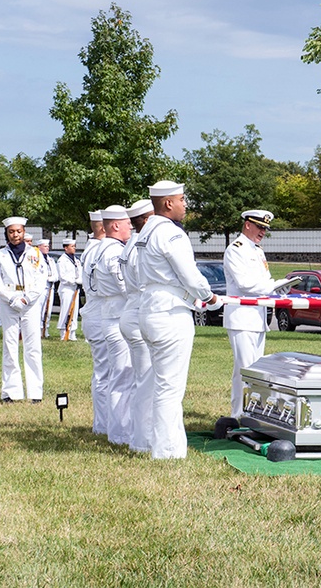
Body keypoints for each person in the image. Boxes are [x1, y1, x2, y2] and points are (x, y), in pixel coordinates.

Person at [136, 180, 220, 459]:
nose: (186, 205)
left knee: (156, 382)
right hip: (169, 310)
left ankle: (146, 441)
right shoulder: (170, 233)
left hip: (149, 306)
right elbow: (189, 273)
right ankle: (167, 451)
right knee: (170, 386)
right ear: (168, 203)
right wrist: (209, 297)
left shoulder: (146, 231)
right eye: (182, 199)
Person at [223, 209, 285, 418]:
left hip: (257, 317)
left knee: (253, 369)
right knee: (246, 369)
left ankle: (247, 412)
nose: (262, 232)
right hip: (241, 318)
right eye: (259, 227)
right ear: (247, 224)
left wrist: (277, 287)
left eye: (265, 229)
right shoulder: (236, 250)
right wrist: (273, 286)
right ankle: (241, 415)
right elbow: (245, 284)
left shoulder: (257, 251)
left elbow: (264, 281)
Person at [0, 217, 48, 403]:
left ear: (24, 232)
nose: (15, 235)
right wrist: (11, 297)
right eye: (11, 232)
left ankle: (35, 392)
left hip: (30, 302)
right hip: (9, 301)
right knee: (10, 345)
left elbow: (41, 279)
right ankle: (11, 392)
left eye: (19, 231)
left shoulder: (35, 253)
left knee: (33, 347)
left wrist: (27, 298)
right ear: (6, 233)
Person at [90, 205, 135, 445]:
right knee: (123, 377)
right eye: (127, 222)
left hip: (109, 315)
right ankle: (120, 434)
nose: (131, 226)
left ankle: (114, 429)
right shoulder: (114, 252)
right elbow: (124, 285)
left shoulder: (101, 248)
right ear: (115, 225)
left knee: (115, 376)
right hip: (118, 318)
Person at [119, 199, 155, 453]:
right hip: (141, 311)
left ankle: (138, 434)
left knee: (141, 380)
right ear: (145, 219)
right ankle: (143, 440)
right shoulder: (142, 245)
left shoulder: (131, 243)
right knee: (147, 381)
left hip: (130, 310)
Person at [80, 209, 110, 436]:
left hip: (98, 313)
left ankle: (104, 423)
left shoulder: (94, 249)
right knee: (104, 373)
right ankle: (103, 424)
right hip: (100, 314)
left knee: (106, 373)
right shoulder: (99, 250)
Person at [57, 238, 82, 341]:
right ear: (66, 248)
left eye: (74, 246)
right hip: (66, 288)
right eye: (72, 246)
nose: (74, 248)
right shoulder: (61, 260)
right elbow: (62, 277)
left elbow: (79, 271)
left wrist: (79, 279)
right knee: (66, 310)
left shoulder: (76, 260)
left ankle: (72, 332)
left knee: (75, 311)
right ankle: (63, 331)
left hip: (75, 288)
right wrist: (74, 280)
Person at [37, 239, 59, 338]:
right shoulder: (37, 259)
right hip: (41, 288)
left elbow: (56, 274)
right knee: (39, 310)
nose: (47, 248)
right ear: (39, 247)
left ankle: (45, 329)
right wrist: (47, 278)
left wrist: (52, 278)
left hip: (50, 287)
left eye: (48, 246)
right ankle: (38, 329)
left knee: (48, 310)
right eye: (45, 246)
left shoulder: (50, 259)